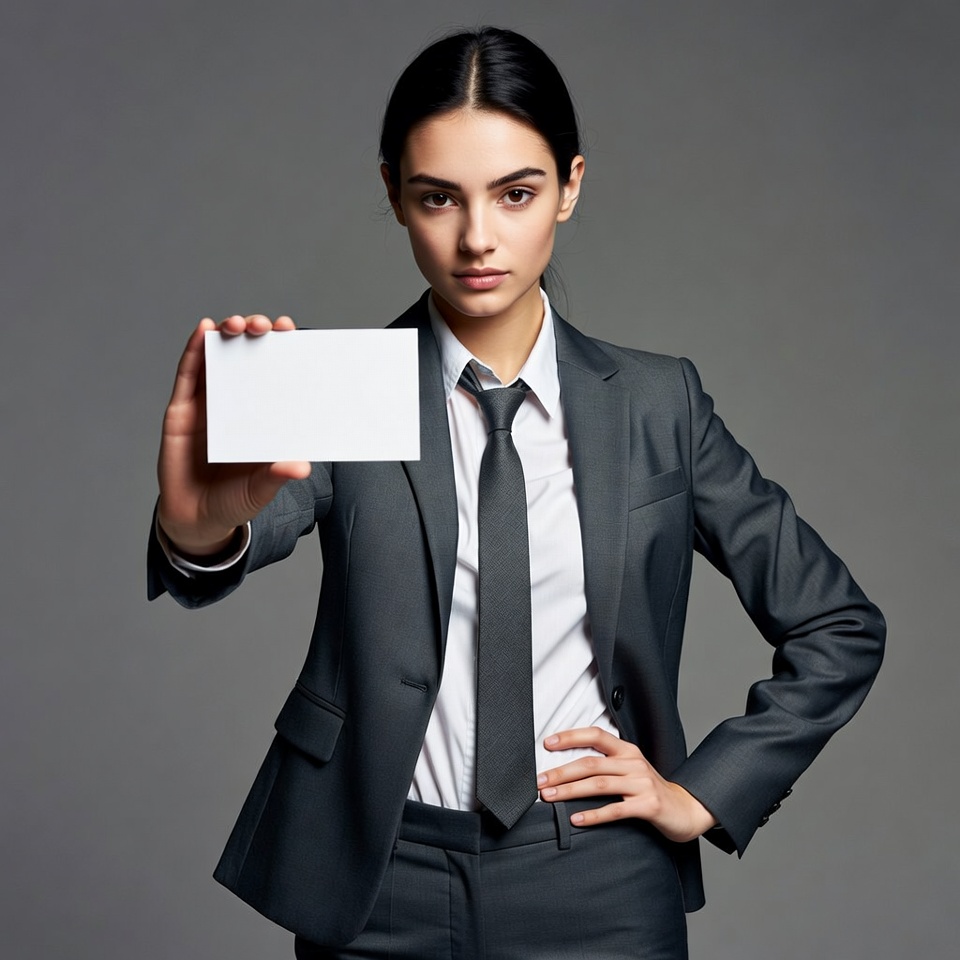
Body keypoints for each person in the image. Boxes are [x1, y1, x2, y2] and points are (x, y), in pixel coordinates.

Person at [148, 26, 885, 960]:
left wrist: (702, 791)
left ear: (571, 186)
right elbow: (225, 547)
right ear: (394, 196)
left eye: (517, 193)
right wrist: (197, 529)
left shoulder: (658, 404)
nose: (478, 238)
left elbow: (840, 624)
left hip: (599, 877)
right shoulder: (344, 386)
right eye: (438, 199)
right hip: (381, 876)